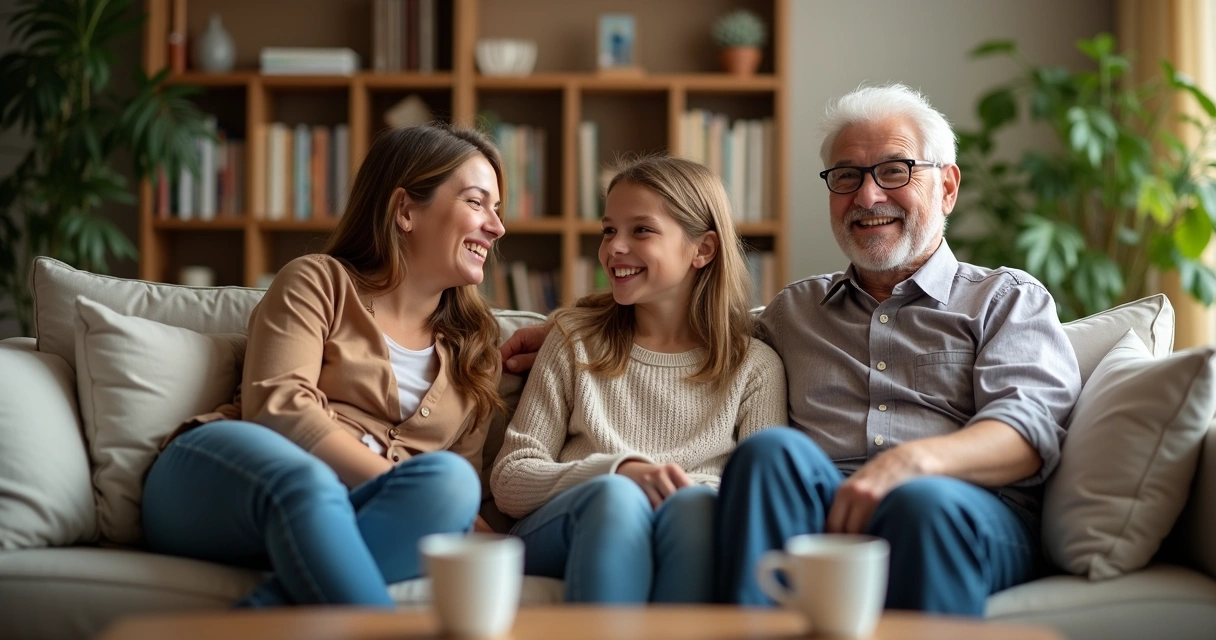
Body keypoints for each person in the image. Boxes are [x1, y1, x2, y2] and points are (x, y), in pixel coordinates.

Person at [500, 84, 1082, 615]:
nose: (867, 194)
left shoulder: (1005, 299)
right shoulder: (794, 313)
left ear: (947, 186)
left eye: (894, 171)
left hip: (960, 508)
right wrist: (570, 323)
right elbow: (692, 324)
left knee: (920, 505)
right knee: (771, 452)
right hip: (827, 509)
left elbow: (1027, 429)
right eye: (847, 176)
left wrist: (912, 463)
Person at [141, 124, 508, 608]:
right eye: (477, 203)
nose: (497, 227)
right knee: (310, 483)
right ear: (405, 211)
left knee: (452, 482)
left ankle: (260, 615)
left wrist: (520, 550)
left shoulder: (475, 349)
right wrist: (390, 479)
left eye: (497, 212)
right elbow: (278, 407)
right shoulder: (318, 281)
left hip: (342, 515)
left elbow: (458, 499)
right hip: (223, 483)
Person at [490, 156, 787, 604]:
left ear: (702, 249)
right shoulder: (573, 341)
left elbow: (759, 496)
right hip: (573, 523)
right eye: (609, 230)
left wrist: (673, 488)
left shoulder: (755, 367)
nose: (614, 248)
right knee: (616, 498)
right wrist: (620, 470)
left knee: (694, 509)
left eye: (641, 230)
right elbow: (511, 480)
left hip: (689, 521)